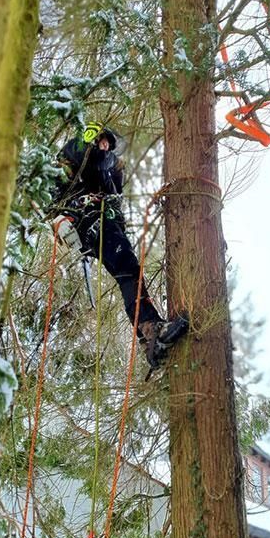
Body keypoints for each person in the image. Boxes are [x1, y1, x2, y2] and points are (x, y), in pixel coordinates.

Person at [52, 125, 188, 368]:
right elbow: (68, 171)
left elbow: (115, 195)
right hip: (90, 222)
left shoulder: (110, 174)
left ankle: (149, 338)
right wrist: (60, 219)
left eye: (108, 145)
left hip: (104, 224)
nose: (106, 147)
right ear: (95, 140)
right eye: (103, 142)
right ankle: (151, 329)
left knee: (128, 272)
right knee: (128, 269)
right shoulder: (81, 155)